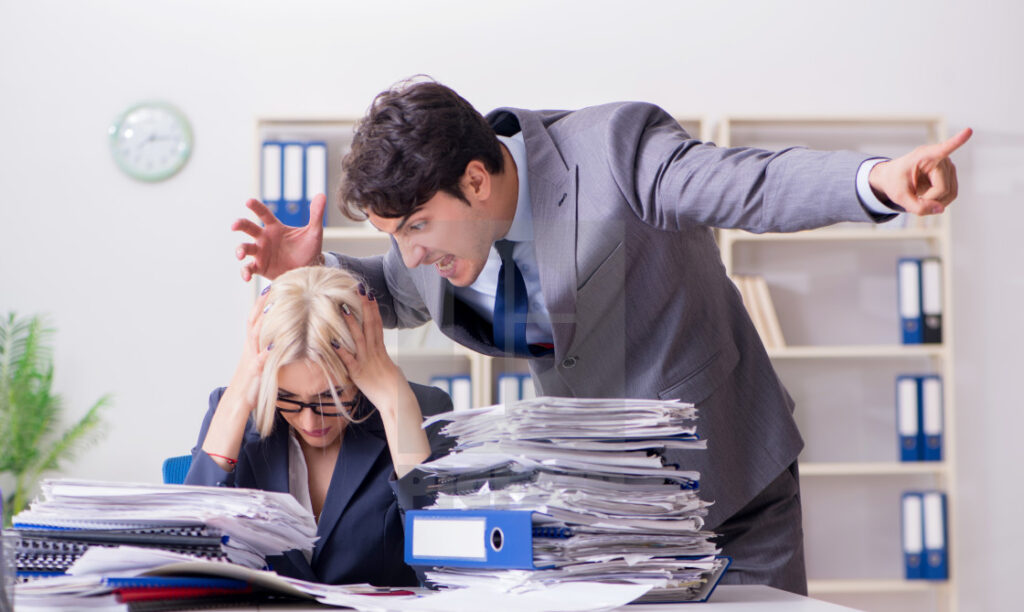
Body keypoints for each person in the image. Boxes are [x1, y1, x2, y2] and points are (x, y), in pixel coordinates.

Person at [230, 78, 970, 594]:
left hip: (731, 483)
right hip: (598, 513)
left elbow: (748, 181)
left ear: (478, 181)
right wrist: (316, 268)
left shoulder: (613, 153)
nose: (411, 252)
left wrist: (876, 181)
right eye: (396, 234)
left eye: (417, 228)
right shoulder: (425, 249)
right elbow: (390, 290)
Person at [185, 265, 452, 586]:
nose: (311, 420)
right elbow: (189, 562)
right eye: (289, 398)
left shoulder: (423, 411)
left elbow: (446, 572)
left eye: (332, 397)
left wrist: (396, 407)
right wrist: (238, 399)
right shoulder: (233, 412)